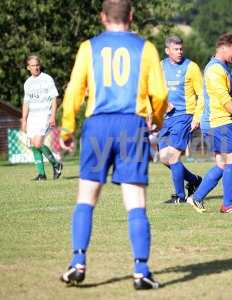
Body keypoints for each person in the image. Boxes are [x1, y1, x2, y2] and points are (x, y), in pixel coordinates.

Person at [59, 0, 167, 289]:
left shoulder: (88, 47)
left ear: (102, 17)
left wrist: (67, 128)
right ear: (131, 17)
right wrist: (156, 119)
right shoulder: (146, 48)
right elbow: (159, 93)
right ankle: (141, 271)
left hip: (97, 125)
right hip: (131, 125)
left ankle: (77, 262)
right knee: (136, 202)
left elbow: (73, 91)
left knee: (86, 197)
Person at [186, 33, 232, 214]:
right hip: (220, 122)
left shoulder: (221, 67)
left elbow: (210, 94)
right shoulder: (215, 70)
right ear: (224, 47)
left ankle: (196, 198)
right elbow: (223, 99)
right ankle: (228, 205)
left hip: (213, 122)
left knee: (222, 164)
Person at [159, 35, 203, 204]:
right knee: (164, 157)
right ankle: (194, 180)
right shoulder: (160, 66)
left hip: (184, 116)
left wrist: (196, 118)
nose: (179, 52)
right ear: (167, 51)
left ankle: (180, 196)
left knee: (173, 156)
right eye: (176, 49)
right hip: (165, 117)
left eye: (181, 49)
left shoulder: (191, 67)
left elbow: (202, 95)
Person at [21, 54, 63, 181]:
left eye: (37, 65)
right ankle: (41, 174)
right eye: (33, 66)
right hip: (32, 117)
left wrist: (53, 116)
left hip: (44, 115)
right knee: (34, 145)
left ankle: (56, 165)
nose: (36, 68)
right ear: (28, 67)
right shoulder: (27, 83)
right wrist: (24, 119)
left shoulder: (47, 79)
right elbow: (26, 102)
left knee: (38, 142)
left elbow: (54, 98)